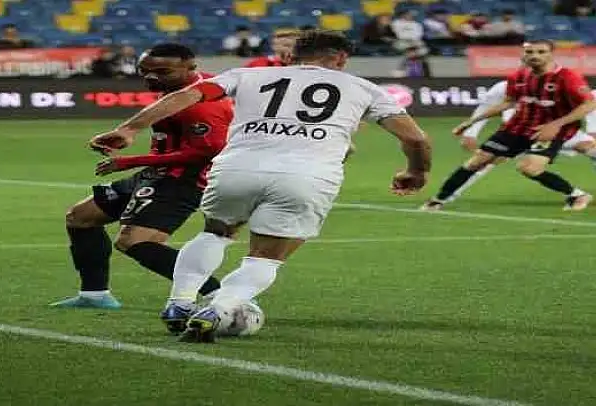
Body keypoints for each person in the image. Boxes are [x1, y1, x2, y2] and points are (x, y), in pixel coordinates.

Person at [90, 31, 432, 341]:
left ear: (292, 55)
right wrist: (415, 172)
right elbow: (416, 140)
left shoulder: (248, 75)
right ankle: (218, 309)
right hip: (306, 175)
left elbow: (188, 95)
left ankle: (179, 302)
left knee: (215, 234)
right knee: (266, 256)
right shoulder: (364, 88)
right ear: (341, 58)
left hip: (236, 169)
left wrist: (129, 129)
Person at [51, 44, 232, 310]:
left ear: (190, 68)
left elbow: (205, 153)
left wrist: (129, 161)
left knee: (135, 242)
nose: (151, 77)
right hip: (157, 173)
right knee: (81, 217)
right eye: (144, 71)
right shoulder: (181, 90)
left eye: (163, 72)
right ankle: (94, 295)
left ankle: (219, 293)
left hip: (183, 180)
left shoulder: (202, 106)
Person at [421, 40, 596, 212]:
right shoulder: (517, 77)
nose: (534, 56)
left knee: (529, 168)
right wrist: (471, 122)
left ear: (551, 54)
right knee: (477, 161)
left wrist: (556, 124)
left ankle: (577, 195)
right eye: (529, 52)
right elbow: (508, 102)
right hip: (516, 128)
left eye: (541, 52)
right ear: (523, 54)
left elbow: (589, 104)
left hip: (548, 131)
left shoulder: (567, 77)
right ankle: (439, 200)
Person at [447, 80, 596, 202]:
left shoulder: (559, 84)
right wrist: (471, 133)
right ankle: (450, 194)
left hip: (556, 130)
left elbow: (585, 105)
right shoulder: (504, 87)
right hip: (520, 134)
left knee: (590, 146)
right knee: (488, 160)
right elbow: (486, 107)